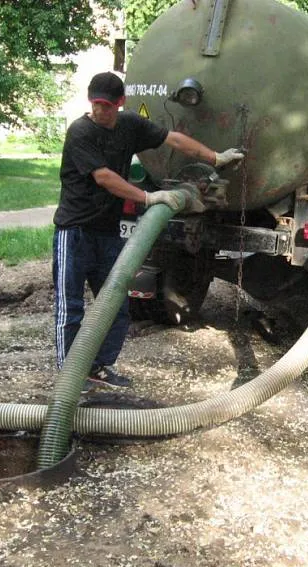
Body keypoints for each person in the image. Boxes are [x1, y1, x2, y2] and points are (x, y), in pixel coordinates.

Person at [53, 71, 244, 391]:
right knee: (70, 307)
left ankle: (99, 367)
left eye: (106, 106)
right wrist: (147, 196)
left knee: (114, 305)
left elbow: (173, 139)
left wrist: (215, 156)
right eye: (95, 104)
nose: (100, 111)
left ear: (119, 103)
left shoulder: (128, 124)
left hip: (107, 233)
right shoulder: (81, 132)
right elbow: (103, 177)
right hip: (75, 233)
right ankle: (68, 377)